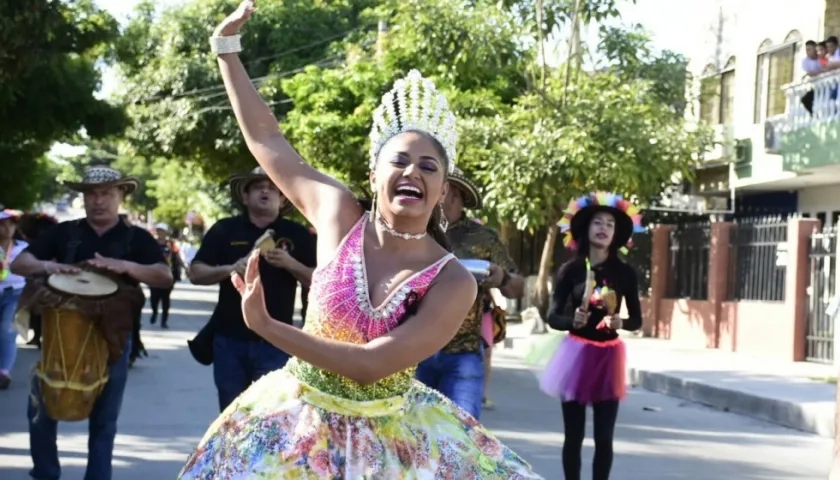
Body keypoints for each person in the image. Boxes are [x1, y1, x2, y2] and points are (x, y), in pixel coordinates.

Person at [178, 2, 541, 478]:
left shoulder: (453, 280)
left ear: (444, 188)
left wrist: (268, 327)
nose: (412, 171)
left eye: (428, 166)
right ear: (374, 174)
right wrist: (226, 50)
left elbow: (371, 366)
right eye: (399, 161)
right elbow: (268, 138)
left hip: (388, 445)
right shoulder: (336, 214)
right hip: (295, 428)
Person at [11, 165, 172, 480]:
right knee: (41, 412)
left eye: (106, 193)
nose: (98, 200)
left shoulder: (135, 238)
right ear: (83, 198)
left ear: (120, 195)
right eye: (91, 194)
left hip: (114, 338)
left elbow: (163, 276)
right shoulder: (65, 232)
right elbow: (19, 263)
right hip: (62, 337)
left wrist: (124, 265)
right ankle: (45, 474)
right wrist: (48, 266)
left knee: (104, 420)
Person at [187, 166, 315, 411]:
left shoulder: (298, 234)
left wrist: (291, 264)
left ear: (282, 197)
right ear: (245, 197)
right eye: (258, 186)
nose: (265, 190)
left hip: (278, 340)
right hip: (230, 340)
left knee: (272, 416)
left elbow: (320, 281)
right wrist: (229, 269)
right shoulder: (224, 230)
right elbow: (196, 273)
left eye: (272, 187)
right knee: (231, 415)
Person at [542, 192, 644, 480]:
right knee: (573, 436)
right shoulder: (570, 270)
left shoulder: (625, 273)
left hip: (608, 357)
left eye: (610, 224)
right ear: (586, 229)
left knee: (604, 437)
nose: (603, 228)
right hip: (575, 356)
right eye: (597, 222)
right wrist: (571, 320)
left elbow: (636, 320)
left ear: (616, 234)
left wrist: (619, 321)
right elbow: (552, 317)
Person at [416, 168, 523, 418]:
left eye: (447, 190)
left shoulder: (483, 237)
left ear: (456, 195)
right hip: (414, 347)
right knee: (412, 439)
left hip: (463, 353)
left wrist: (502, 278)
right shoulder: (414, 230)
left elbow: (516, 287)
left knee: (463, 438)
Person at [15, 212, 59, 348]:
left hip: (43, 276)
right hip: (45, 276)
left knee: (37, 307)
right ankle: (40, 336)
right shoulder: (51, 233)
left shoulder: (39, 239)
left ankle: (37, 336)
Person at [0, 209, 27, 389]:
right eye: (3, 224)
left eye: (11, 224)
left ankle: (3, 372)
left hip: (16, 292)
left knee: (7, 331)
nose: (7, 228)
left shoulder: (23, 248)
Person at [149, 222, 182, 328]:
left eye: (162, 230)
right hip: (154, 275)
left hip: (168, 275)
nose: (160, 232)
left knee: (165, 298)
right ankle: (154, 312)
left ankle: (164, 321)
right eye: (158, 230)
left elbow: (177, 257)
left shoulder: (171, 244)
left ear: (166, 232)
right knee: (154, 298)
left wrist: (186, 268)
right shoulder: (152, 243)